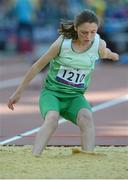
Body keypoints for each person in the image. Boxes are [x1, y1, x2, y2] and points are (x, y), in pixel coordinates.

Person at [7, 9, 119, 156]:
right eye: (84, 32)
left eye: (93, 32)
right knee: (52, 119)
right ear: (75, 28)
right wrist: (18, 92)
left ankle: (88, 157)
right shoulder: (62, 43)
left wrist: (113, 55)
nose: (88, 37)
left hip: (74, 97)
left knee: (86, 117)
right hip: (52, 94)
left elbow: (107, 53)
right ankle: (34, 157)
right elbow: (37, 65)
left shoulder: (98, 44)